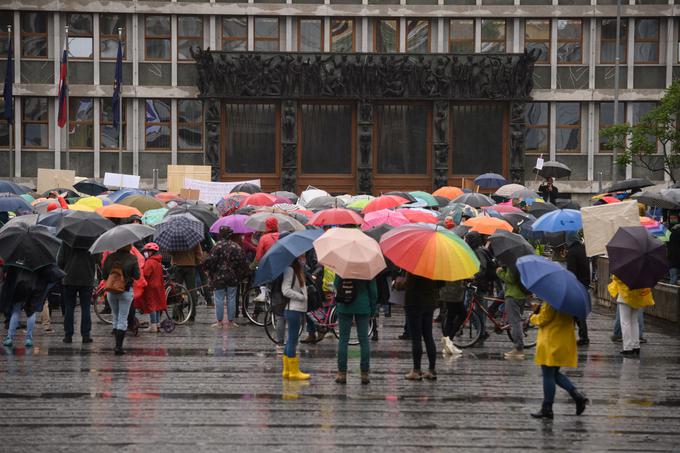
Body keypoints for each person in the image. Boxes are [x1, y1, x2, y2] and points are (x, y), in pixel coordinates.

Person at [530, 301, 588, 419]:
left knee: (548, 374)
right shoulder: (570, 301)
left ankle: (547, 407)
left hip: (551, 340)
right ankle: (578, 397)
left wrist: (533, 316)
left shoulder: (551, 300)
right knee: (554, 373)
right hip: (563, 339)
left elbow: (543, 319)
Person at [1, 263, 64, 348]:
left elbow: (6, 270)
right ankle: (29, 339)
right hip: (34, 286)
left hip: (19, 285)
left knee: (16, 312)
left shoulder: (17, 255)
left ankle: (9, 338)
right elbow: (52, 272)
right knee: (31, 312)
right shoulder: (40, 257)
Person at [334, 276, 378, 385]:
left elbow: (336, 284)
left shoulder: (343, 265)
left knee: (343, 340)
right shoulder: (368, 267)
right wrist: (372, 310)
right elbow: (373, 292)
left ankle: (342, 373)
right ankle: (364, 373)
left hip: (345, 305)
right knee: (364, 340)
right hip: (363, 306)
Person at [202, 227, 248, 328]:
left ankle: (219, 322)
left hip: (218, 277)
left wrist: (208, 269)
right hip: (233, 277)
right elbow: (242, 262)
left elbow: (210, 261)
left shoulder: (217, 246)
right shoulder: (236, 246)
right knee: (232, 298)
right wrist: (240, 274)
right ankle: (231, 321)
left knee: (219, 299)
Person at [102, 245, 141, 355]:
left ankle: (115, 333)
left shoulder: (110, 258)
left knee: (115, 314)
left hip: (111, 291)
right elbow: (137, 276)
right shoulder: (132, 258)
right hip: (126, 291)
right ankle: (118, 347)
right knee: (123, 317)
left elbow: (104, 275)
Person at [57, 242, 96, 344]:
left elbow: (60, 260)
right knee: (86, 308)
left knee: (69, 307)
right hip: (87, 278)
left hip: (69, 277)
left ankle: (68, 335)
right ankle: (86, 335)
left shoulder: (67, 240)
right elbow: (98, 259)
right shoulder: (93, 240)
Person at [403, 273, 439, 381]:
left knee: (416, 338)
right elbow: (441, 284)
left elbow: (409, 284)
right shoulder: (435, 265)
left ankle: (416, 370)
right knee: (428, 336)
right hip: (429, 303)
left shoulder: (415, 267)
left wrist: (397, 284)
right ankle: (431, 370)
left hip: (414, 303)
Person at [608, 275, 654, 357]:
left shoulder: (625, 269)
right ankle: (636, 346)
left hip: (625, 295)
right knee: (634, 322)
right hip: (637, 297)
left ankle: (627, 347)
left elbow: (616, 278)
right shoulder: (642, 271)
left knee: (625, 322)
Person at [281, 255, 310, 380]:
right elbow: (285, 290)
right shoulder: (290, 270)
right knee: (293, 339)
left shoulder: (296, 270)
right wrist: (301, 296)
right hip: (293, 309)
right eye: (302, 256)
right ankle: (293, 372)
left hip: (295, 309)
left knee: (291, 339)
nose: (303, 258)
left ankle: (287, 370)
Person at [465, 231, 495, 340]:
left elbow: (482, 268)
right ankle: (481, 331)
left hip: (479, 284)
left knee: (473, 309)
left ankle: (480, 331)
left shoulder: (478, 251)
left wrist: (474, 277)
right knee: (479, 310)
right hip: (481, 284)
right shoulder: (479, 250)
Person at [565, 232, 591, 345]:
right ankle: (582, 336)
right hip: (584, 284)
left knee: (574, 312)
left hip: (576, 285)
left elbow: (571, 272)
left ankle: (582, 337)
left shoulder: (571, 252)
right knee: (578, 312)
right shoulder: (583, 249)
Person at [497, 266, 527, 359]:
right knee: (517, 322)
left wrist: (499, 273)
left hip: (513, 295)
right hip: (521, 294)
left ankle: (518, 349)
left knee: (515, 323)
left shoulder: (512, 263)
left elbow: (510, 278)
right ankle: (518, 348)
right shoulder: (521, 261)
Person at [169, 243, 203, 322]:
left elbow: (170, 252)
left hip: (177, 266)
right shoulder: (193, 239)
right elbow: (198, 253)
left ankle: (176, 314)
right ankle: (192, 315)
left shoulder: (175, 238)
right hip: (190, 266)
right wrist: (197, 263)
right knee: (192, 291)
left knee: (176, 290)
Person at [139, 243, 167, 333]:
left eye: (147, 251)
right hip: (158, 286)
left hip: (150, 287)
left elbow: (146, 274)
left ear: (151, 252)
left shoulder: (150, 262)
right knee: (157, 305)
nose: (145, 253)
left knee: (152, 306)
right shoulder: (158, 261)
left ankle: (153, 325)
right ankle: (158, 324)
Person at [252, 217, 281, 302]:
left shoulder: (263, 238)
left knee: (258, 278)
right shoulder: (281, 236)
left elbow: (258, 256)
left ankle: (262, 293)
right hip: (280, 266)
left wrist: (252, 266)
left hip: (267, 266)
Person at [439, 280, 465, 356]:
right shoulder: (455, 269)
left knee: (451, 316)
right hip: (453, 295)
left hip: (450, 294)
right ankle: (449, 340)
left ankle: (448, 342)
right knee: (462, 314)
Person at [667, 215, 680, 285]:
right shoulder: (667, 229)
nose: (672, 219)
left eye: (674, 218)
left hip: (677, 257)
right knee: (673, 279)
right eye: (671, 218)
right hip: (672, 259)